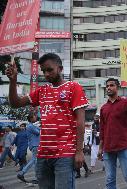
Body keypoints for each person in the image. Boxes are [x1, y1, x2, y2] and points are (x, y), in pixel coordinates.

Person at [6, 53, 89, 188]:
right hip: (43, 155)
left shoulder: (74, 87)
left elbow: (80, 122)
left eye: (50, 70)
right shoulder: (42, 91)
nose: (46, 74)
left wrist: (79, 151)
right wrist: (13, 80)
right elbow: (15, 103)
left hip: (65, 154)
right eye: (43, 71)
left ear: (60, 69)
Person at [97, 78, 127, 189]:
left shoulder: (125, 102)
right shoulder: (103, 108)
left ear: (118, 88)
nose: (108, 88)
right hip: (108, 148)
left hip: (123, 146)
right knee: (109, 179)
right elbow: (102, 129)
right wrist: (100, 148)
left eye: (111, 85)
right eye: (107, 86)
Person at [17, 113, 40, 184]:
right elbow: (38, 132)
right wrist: (39, 126)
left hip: (34, 145)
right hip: (35, 145)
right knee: (34, 161)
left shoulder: (31, 126)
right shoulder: (30, 126)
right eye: (34, 117)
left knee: (35, 161)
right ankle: (22, 173)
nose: (35, 118)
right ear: (31, 118)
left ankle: (36, 177)